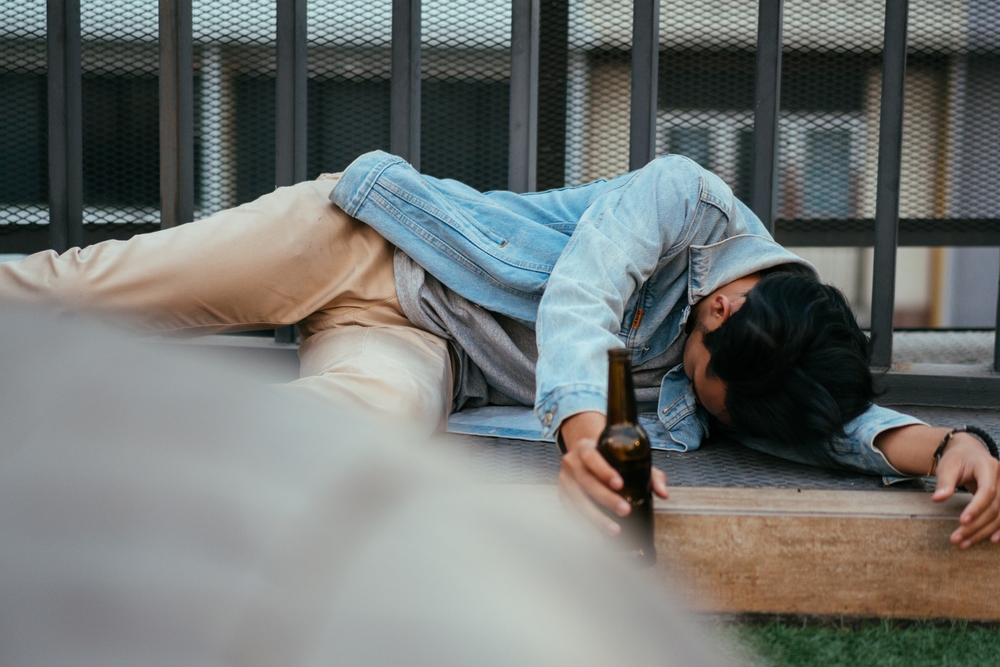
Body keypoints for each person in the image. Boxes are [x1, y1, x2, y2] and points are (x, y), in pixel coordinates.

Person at [1, 150, 997, 549]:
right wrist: (585, 433)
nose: (697, 400)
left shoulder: (771, 353)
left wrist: (952, 448)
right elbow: (582, 294)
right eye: (702, 381)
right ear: (722, 306)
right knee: (80, 290)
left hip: (415, 343)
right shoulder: (684, 197)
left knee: (346, 434)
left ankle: (93, 486)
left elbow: (829, 424)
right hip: (365, 241)